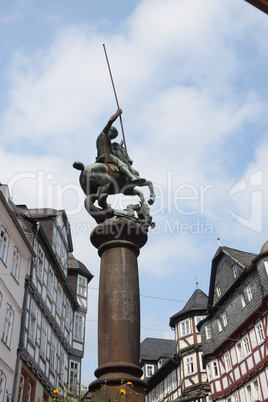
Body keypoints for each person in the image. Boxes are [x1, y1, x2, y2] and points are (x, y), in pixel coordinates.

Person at [96, 109, 144, 184]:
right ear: (110, 131)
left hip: (100, 156)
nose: (111, 138)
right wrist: (117, 113)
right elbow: (110, 121)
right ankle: (132, 177)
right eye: (112, 136)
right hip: (106, 155)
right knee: (121, 164)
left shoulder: (103, 138)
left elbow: (111, 147)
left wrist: (119, 145)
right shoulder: (104, 133)